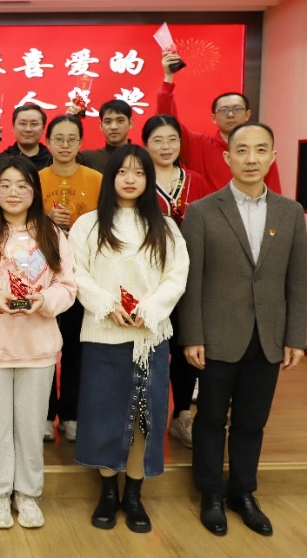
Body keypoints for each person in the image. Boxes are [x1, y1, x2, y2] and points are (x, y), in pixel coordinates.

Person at [179, 123, 307, 537]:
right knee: (210, 418)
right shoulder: (202, 211)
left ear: (272, 157)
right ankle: (211, 493)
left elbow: (297, 279)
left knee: (252, 421)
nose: (251, 158)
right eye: (242, 150)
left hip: (268, 336)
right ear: (227, 157)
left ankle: (243, 492)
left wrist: (295, 336)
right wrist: (192, 335)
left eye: (261, 150)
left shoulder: (290, 212)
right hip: (217, 335)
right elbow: (192, 280)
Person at [0, 156, 77, 529]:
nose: (13, 192)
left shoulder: (52, 234)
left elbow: (67, 287)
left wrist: (44, 301)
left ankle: (27, 493)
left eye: (22, 185)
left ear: (35, 191)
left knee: (31, 427)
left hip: (38, 349)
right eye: (5, 185)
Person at [70, 145, 189, 534]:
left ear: (148, 179)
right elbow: (77, 273)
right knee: (105, 415)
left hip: (148, 338)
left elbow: (177, 275)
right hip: (103, 336)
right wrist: (106, 305)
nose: (131, 179)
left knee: (144, 418)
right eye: (123, 172)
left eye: (139, 172)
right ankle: (108, 492)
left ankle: (134, 496)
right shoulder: (87, 225)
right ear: (111, 177)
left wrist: (150, 310)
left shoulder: (165, 226)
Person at [140, 114, 213, 449]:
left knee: (187, 347)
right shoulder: (138, 180)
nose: (166, 146)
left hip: (190, 278)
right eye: (157, 140)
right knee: (150, 348)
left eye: (172, 139)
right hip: (148, 279)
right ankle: (145, 416)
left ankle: (182, 415)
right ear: (145, 145)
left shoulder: (196, 180)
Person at [36, 114, 103, 443]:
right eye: (58, 139)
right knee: (45, 347)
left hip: (82, 275)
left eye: (71, 139)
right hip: (42, 277)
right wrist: (45, 219)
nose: (64, 145)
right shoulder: (35, 179)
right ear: (48, 142)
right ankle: (45, 414)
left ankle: (72, 414)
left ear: (81, 143)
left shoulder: (96, 179)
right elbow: (22, 224)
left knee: (78, 347)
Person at [156, 53, 283, 193]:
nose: (230, 114)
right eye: (223, 110)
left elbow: (274, 193)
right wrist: (168, 78)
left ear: (247, 114)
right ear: (213, 118)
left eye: (237, 109)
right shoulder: (198, 145)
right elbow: (167, 124)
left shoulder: (260, 150)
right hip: (206, 208)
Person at [0, 104, 52, 171]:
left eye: (34, 124)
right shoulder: (2, 160)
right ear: (13, 127)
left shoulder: (52, 161)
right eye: (23, 123)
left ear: (43, 129)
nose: (28, 129)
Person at [77, 100, 134, 174]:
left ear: (130, 123)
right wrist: (69, 120)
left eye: (120, 121)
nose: (113, 127)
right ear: (101, 125)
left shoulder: (142, 157)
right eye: (108, 122)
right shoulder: (87, 158)